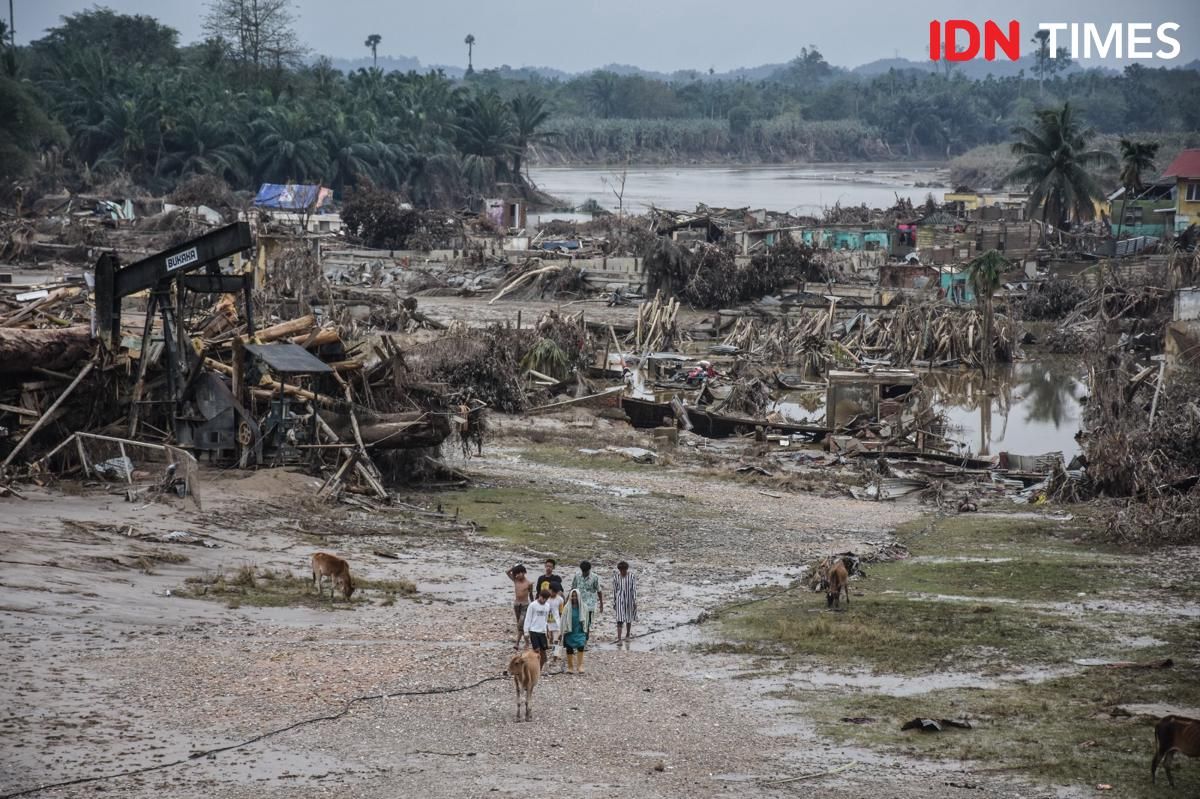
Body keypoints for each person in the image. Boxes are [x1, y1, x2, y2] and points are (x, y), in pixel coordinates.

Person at [560, 588, 591, 674]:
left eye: (575, 596)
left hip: (580, 630)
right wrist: (561, 632)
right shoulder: (566, 608)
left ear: (579, 596)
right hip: (569, 631)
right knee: (569, 648)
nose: (574, 598)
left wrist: (586, 631)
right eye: (572, 596)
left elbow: (587, 620)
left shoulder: (584, 607)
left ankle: (580, 666)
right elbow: (562, 620)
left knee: (581, 646)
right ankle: (570, 667)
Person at [523, 589, 553, 672]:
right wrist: (526, 631)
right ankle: (534, 668)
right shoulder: (533, 605)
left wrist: (548, 631)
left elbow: (546, 620)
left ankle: (539, 669)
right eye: (543, 598)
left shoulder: (547, 606)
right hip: (534, 631)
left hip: (542, 632)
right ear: (539, 596)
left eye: (546, 599)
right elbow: (528, 618)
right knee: (536, 651)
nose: (543, 600)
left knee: (543, 653)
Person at [505, 564, 534, 650]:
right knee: (519, 624)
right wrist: (514, 567)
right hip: (517, 604)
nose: (518, 575)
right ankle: (526, 641)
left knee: (521, 623)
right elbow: (507, 572)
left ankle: (517, 643)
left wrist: (533, 604)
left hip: (525, 605)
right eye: (517, 573)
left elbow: (531, 595)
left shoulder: (528, 583)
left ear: (524, 572)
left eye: (520, 573)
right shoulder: (515, 580)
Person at [570, 560, 603, 632]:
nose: (584, 573)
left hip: (590, 605)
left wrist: (601, 604)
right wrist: (568, 601)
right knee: (579, 620)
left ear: (589, 569)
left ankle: (585, 636)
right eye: (583, 571)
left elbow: (599, 591)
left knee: (588, 622)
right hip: (579, 603)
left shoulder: (595, 577)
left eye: (586, 571)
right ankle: (581, 635)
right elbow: (573, 589)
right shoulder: (577, 576)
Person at [612, 561, 638, 642]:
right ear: (619, 570)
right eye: (621, 570)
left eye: (624, 570)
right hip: (619, 598)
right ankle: (619, 638)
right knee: (619, 619)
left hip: (629, 598)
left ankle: (627, 634)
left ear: (626, 569)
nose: (623, 572)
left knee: (628, 618)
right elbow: (615, 590)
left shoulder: (631, 576)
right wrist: (614, 602)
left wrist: (634, 601)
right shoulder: (616, 577)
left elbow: (633, 589)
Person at [546, 583, 565, 664]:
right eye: (551, 591)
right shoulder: (546, 599)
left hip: (556, 623)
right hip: (547, 622)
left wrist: (562, 624)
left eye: (554, 592)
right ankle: (555, 653)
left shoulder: (560, 600)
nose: (552, 593)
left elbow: (561, 612)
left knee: (556, 640)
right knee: (549, 640)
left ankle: (555, 656)